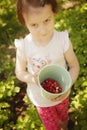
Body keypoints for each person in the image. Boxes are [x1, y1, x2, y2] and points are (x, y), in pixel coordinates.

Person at [14, 0, 80, 130]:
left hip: (62, 93)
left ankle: (65, 125)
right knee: (51, 126)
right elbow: (20, 72)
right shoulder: (24, 46)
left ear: (54, 13)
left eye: (47, 20)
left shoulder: (62, 40)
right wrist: (32, 78)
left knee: (63, 116)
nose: (43, 30)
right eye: (34, 25)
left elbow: (74, 66)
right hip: (41, 100)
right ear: (24, 23)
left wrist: (68, 85)